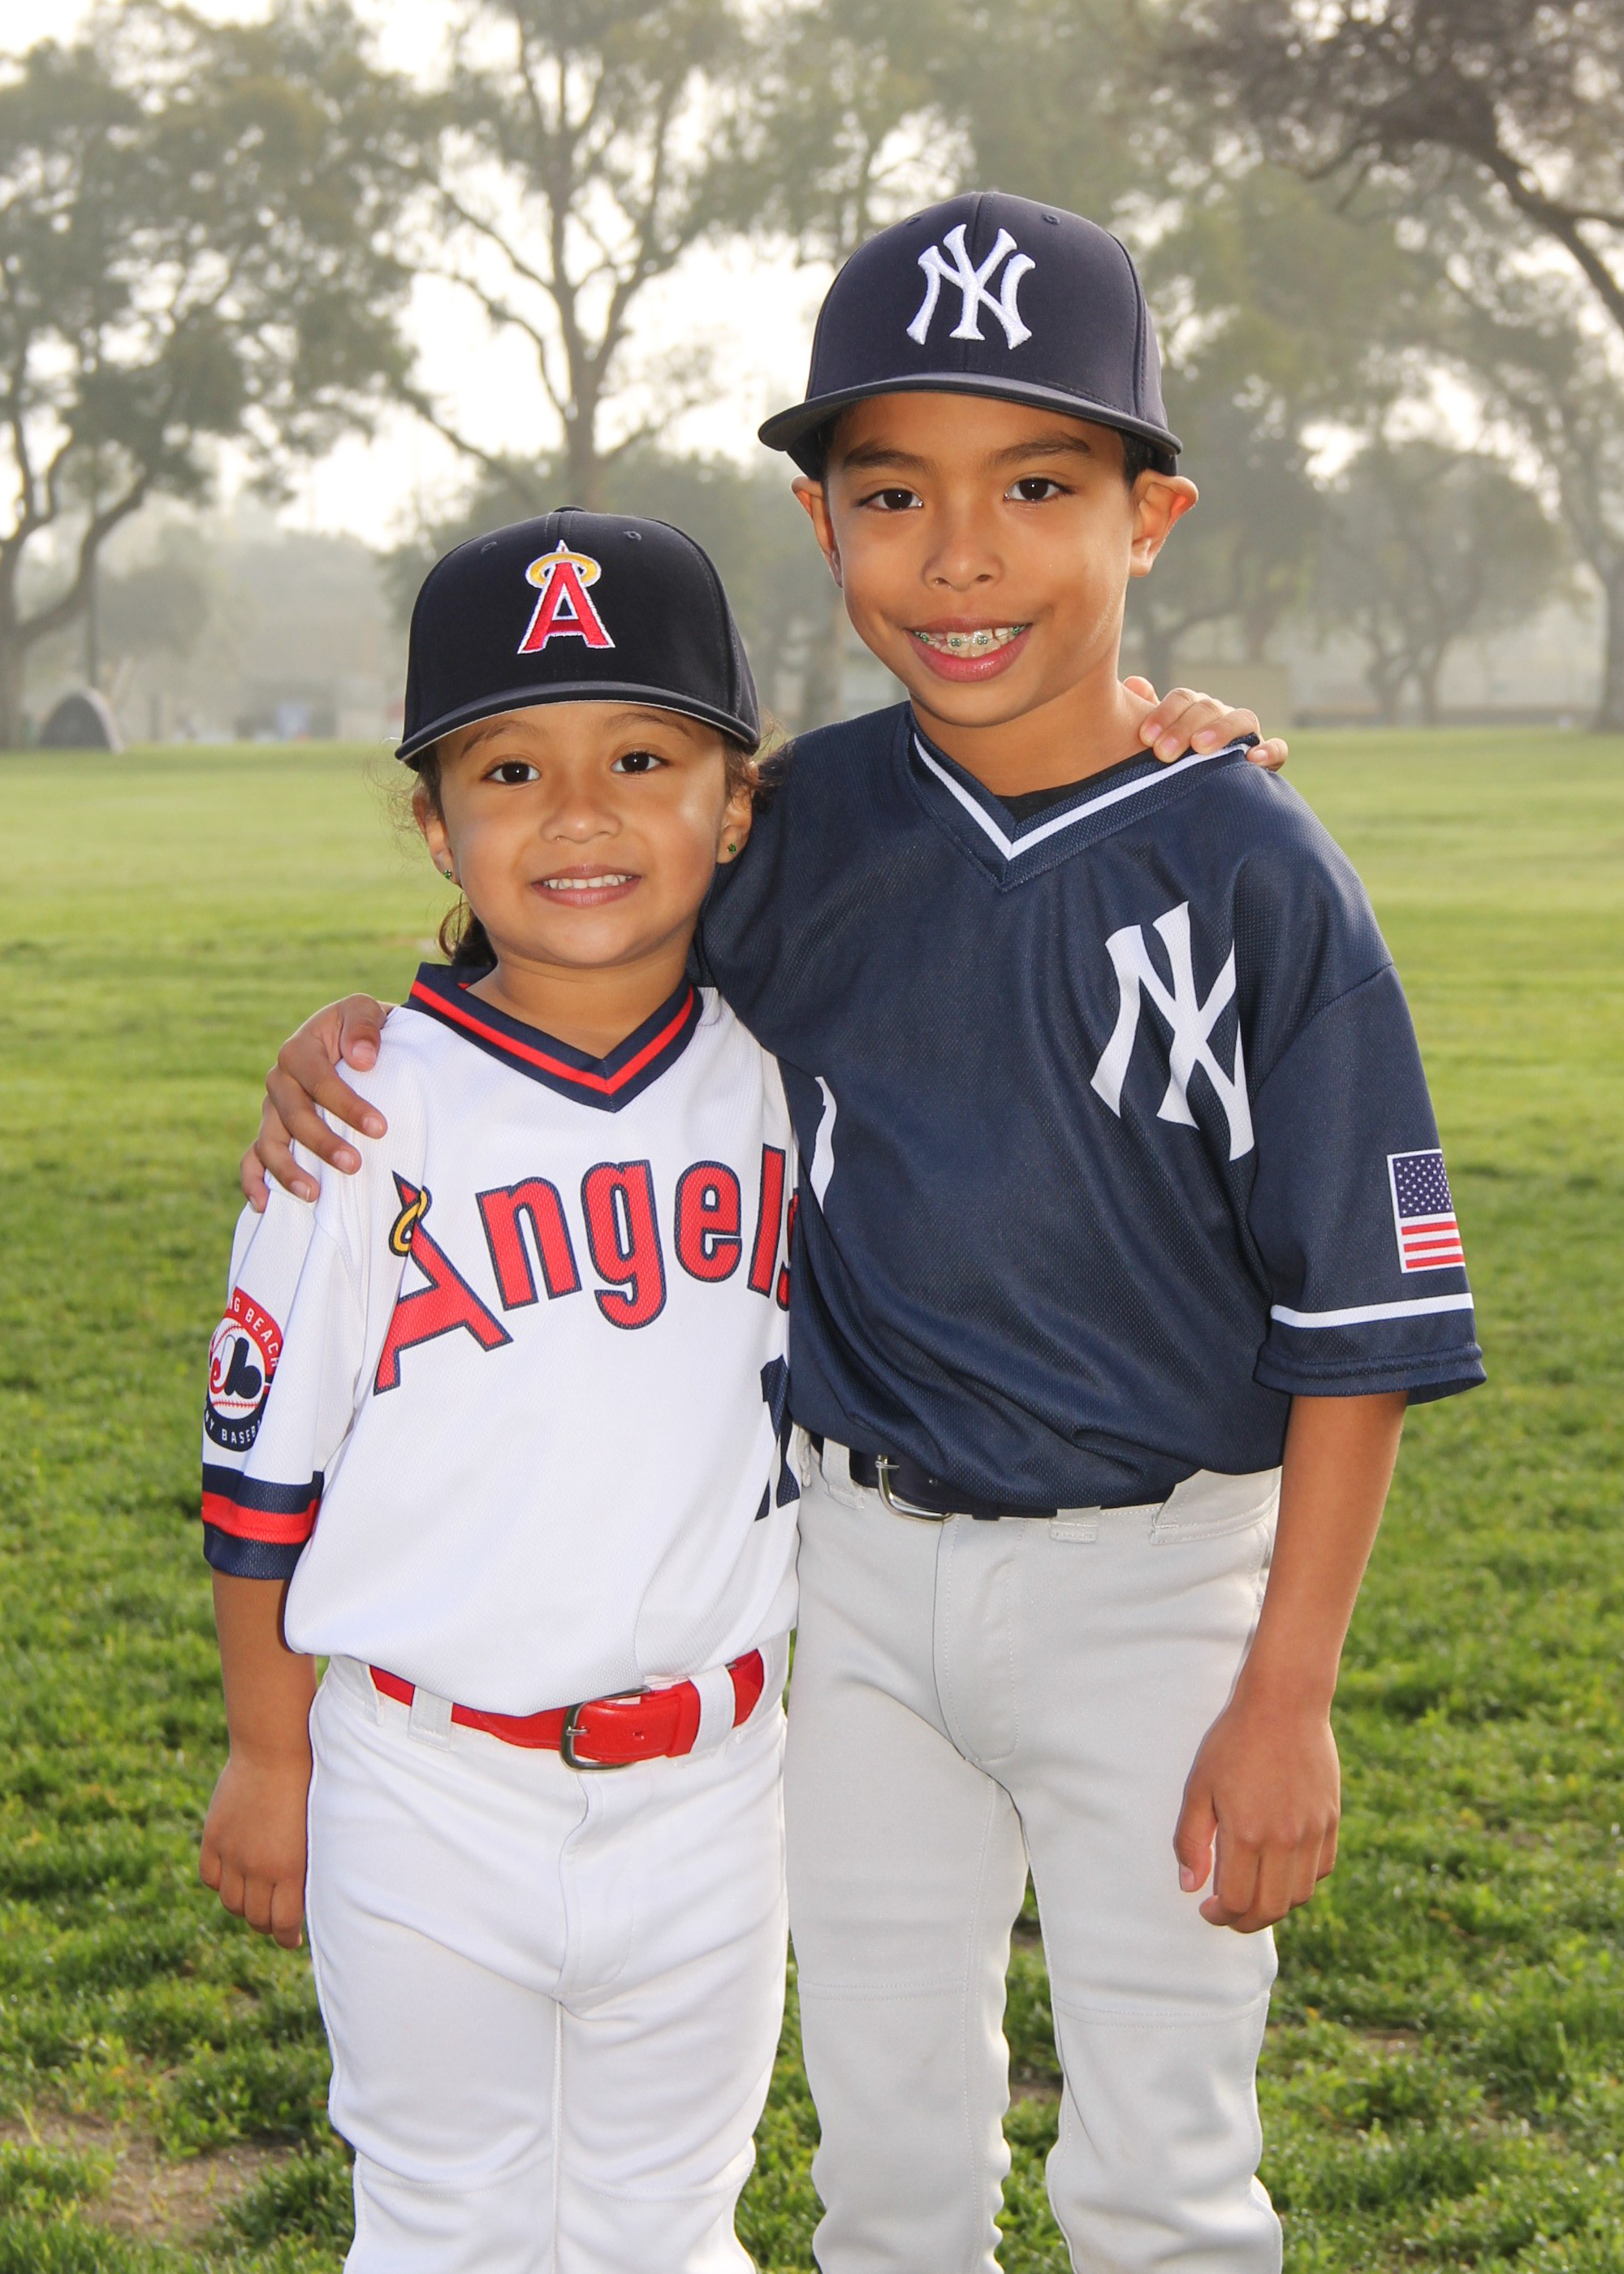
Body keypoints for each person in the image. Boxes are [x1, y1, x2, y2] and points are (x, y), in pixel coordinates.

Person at [241, 193, 1484, 2272]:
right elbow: (569, 925)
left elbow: (1355, 1324)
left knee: (1163, 2176)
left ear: (1150, 514)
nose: (962, 554)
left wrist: (1290, 1687)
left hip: (1157, 1586)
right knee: (889, 2177)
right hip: (855, 1576)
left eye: (1039, 486)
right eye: (894, 492)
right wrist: (350, 1030)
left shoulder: (1255, 865)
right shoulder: (795, 823)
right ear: (823, 524)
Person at [197, 511, 805, 2274]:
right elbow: (260, 1475)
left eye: (644, 759)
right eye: (511, 769)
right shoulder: (360, 1113)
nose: (581, 815)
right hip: (424, 1776)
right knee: (441, 2223)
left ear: (737, 803)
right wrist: (267, 1751)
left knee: (668, 2227)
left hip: (716, 1778)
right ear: (436, 824)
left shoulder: (796, 1074)